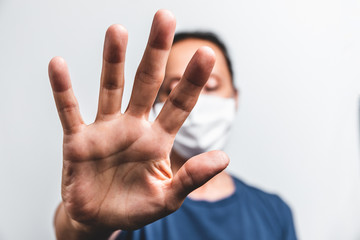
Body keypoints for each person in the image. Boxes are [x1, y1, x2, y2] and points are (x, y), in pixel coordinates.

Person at [49, 9, 297, 240]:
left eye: (210, 86)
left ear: (235, 97)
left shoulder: (274, 212)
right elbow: (71, 233)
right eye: (175, 89)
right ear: (157, 103)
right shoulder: (132, 199)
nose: (195, 101)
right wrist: (87, 224)